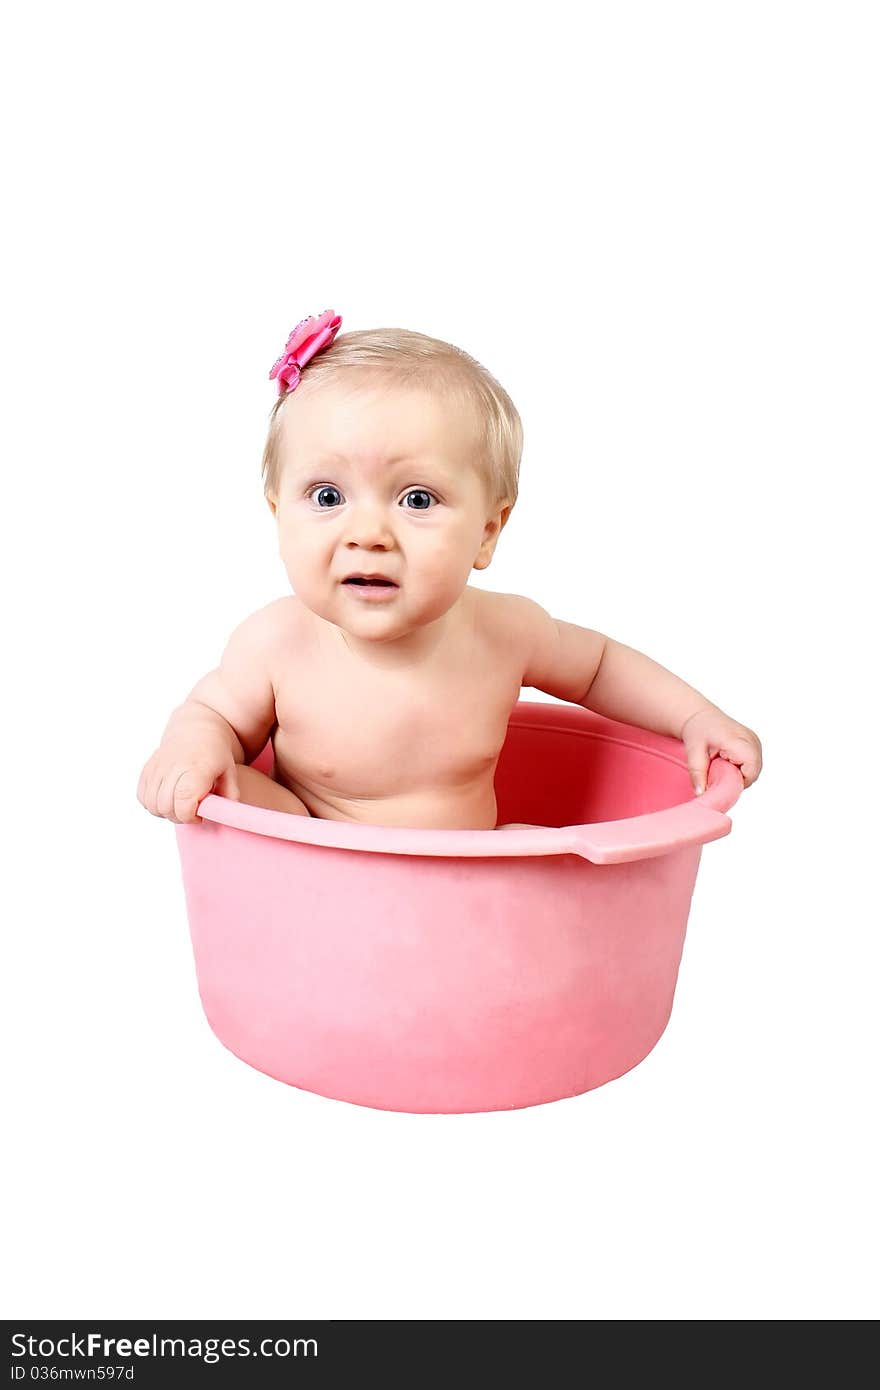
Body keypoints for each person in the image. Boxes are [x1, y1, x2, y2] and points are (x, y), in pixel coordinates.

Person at [137, 310, 762, 831]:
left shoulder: (505, 631)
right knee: (225, 790)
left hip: (466, 894)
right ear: (278, 515)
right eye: (328, 497)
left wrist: (694, 717)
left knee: (535, 853)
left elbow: (599, 666)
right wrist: (194, 748)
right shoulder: (275, 644)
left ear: (487, 533)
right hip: (314, 875)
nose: (369, 535)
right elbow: (213, 714)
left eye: (417, 500)